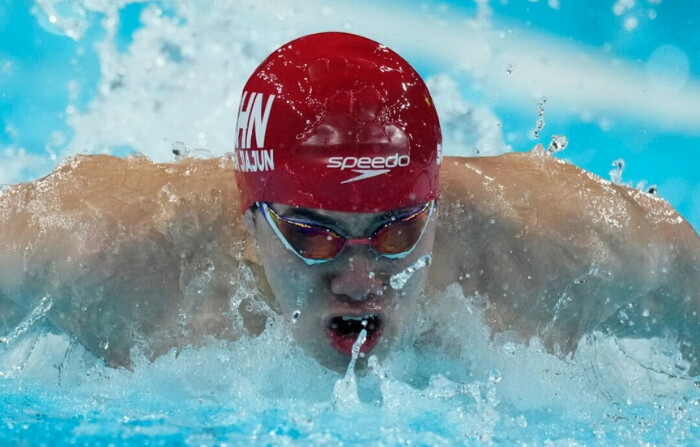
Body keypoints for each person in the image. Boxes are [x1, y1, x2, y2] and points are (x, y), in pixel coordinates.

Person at [0, 32, 698, 374]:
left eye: (397, 232)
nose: (362, 280)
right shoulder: (101, 251)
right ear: (253, 216)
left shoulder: (565, 248)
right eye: (315, 235)